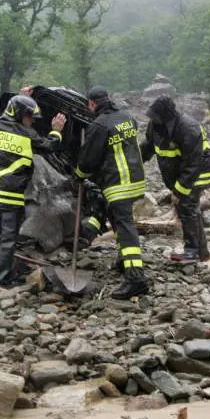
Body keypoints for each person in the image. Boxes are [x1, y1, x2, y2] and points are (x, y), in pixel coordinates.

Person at [0, 95, 67, 287]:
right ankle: (2, 282)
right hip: (10, 198)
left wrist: (23, 98)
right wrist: (56, 131)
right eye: (29, 117)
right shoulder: (26, 134)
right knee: (7, 242)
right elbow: (50, 146)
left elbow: (3, 114)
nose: (31, 121)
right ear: (19, 115)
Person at [75, 86, 149, 299]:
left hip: (118, 184)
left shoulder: (99, 125)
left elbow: (88, 161)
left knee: (124, 226)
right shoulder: (127, 117)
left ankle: (136, 278)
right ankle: (123, 261)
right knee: (118, 221)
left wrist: (79, 175)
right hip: (135, 179)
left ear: (91, 104)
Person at [140, 95, 210, 262]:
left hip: (198, 170)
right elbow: (148, 146)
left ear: (166, 115)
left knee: (187, 207)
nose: (152, 119)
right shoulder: (155, 126)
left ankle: (191, 253)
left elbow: (192, 163)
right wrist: (135, 161)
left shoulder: (187, 128)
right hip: (180, 172)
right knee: (189, 208)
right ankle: (202, 253)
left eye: (155, 116)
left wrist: (179, 190)